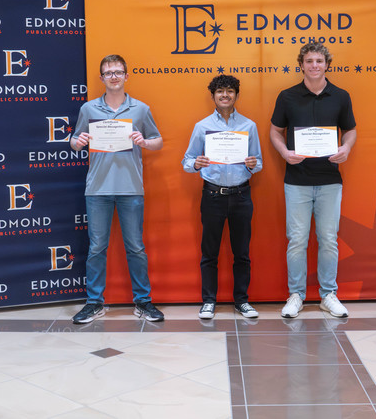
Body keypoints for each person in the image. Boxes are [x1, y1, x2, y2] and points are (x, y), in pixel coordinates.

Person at [70, 54, 165, 324]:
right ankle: (94, 303)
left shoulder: (141, 109)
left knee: (135, 247)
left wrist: (144, 142)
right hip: (97, 189)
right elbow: (75, 140)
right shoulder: (88, 109)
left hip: (131, 187)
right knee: (97, 247)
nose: (113, 76)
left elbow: (158, 141)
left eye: (118, 72)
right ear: (101, 78)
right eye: (108, 72)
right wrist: (79, 142)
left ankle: (143, 302)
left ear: (126, 75)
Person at [269, 42, 357, 319]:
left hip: (330, 180)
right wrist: (284, 152)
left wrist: (346, 148)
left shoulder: (341, 96)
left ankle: (328, 294)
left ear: (327, 64)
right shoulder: (287, 97)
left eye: (319, 60)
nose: (315, 65)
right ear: (302, 65)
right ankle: (296, 295)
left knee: (328, 239)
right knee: (297, 240)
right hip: (296, 180)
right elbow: (275, 131)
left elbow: (351, 130)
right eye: (309, 61)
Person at [183, 75, 263, 320]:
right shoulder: (202, 126)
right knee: (210, 252)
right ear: (213, 96)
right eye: (220, 91)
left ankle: (242, 301)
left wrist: (252, 164)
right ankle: (209, 300)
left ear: (237, 95)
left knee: (242, 253)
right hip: (212, 194)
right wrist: (196, 163)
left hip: (241, 194)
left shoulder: (249, 126)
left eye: (230, 91)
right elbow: (186, 161)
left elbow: (258, 162)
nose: (225, 95)